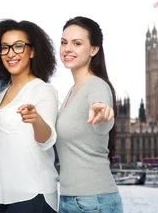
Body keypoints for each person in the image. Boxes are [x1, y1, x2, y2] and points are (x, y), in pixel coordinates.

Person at [0, 19, 59, 213]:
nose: (11, 54)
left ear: (32, 51)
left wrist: (36, 120)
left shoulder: (42, 90)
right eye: (5, 48)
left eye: (18, 46)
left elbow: (46, 139)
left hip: (33, 195)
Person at [55, 16, 121, 213]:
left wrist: (102, 110)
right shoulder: (72, 91)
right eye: (64, 42)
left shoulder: (97, 86)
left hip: (93, 201)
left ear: (94, 49)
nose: (67, 49)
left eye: (77, 43)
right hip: (70, 200)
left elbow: (101, 111)